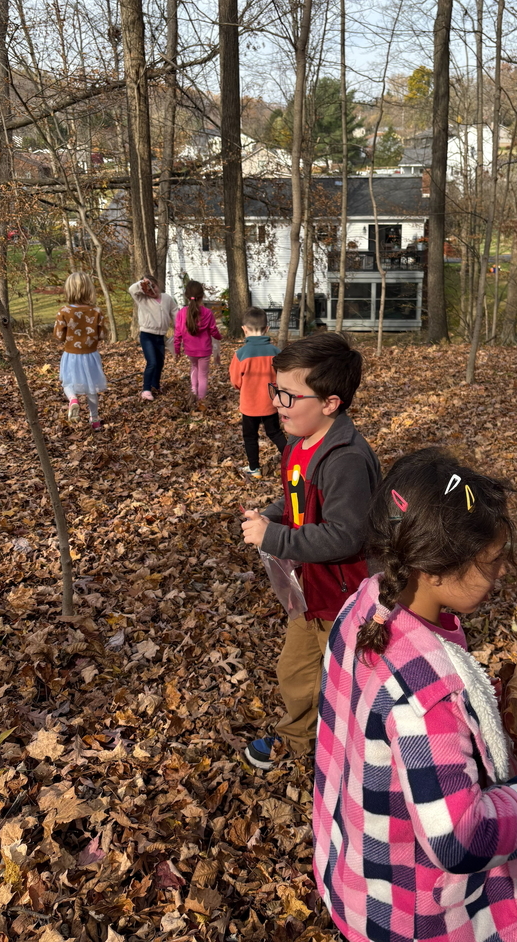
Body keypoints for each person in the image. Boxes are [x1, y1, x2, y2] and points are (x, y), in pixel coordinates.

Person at [313, 448, 517, 942]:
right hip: (415, 915)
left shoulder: (367, 603)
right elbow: (461, 838)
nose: (500, 573)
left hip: (355, 868)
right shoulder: (428, 695)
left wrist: (476, 711)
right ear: (434, 570)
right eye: (492, 561)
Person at [240, 332, 380, 770]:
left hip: (347, 597)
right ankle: (301, 741)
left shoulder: (345, 460)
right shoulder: (298, 445)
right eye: (274, 390)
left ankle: (361, 753)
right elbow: (296, 496)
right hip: (312, 591)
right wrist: (272, 515)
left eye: (288, 395)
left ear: (330, 403)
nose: (277, 403)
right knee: (296, 671)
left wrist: (274, 538)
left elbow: (345, 536)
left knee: (355, 681)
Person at [229, 306, 287, 479]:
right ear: (266, 329)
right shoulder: (276, 353)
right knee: (275, 432)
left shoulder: (240, 354)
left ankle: (254, 468)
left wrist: (245, 387)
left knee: (250, 436)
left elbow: (235, 381)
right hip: (271, 402)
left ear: (244, 329)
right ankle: (292, 459)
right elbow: (283, 377)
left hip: (250, 405)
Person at [53, 271, 108, 431]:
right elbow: (103, 335)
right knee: (92, 387)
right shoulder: (96, 311)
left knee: (68, 382)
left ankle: (73, 400)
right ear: (88, 290)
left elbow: (58, 336)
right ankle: (95, 419)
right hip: (91, 355)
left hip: (71, 355)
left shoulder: (63, 311)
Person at [128, 274, 178, 401]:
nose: (152, 292)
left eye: (154, 287)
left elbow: (174, 312)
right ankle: (146, 389)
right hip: (147, 335)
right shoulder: (142, 299)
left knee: (160, 362)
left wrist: (179, 328)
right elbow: (132, 290)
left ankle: (155, 385)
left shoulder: (166, 298)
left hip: (161, 336)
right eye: (149, 291)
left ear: (158, 284)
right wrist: (142, 285)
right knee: (152, 362)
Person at [174, 280, 222, 404]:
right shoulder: (208, 313)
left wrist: (177, 350)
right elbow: (213, 331)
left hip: (190, 351)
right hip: (204, 350)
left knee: (194, 369)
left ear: (187, 296)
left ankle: (193, 392)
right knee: (203, 375)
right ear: (202, 295)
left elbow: (177, 334)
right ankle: (201, 400)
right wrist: (219, 336)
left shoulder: (181, 313)